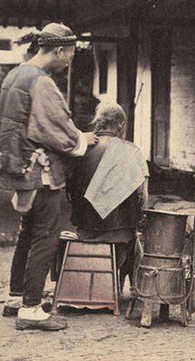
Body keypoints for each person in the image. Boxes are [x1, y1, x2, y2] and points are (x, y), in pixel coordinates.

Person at [0, 23, 97, 331]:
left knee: (27, 233)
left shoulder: (17, 74)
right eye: (70, 54)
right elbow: (55, 129)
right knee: (46, 236)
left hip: (21, 167)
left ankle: (17, 296)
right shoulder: (42, 83)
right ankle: (31, 308)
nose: (70, 61)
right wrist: (82, 140)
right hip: (41, 171)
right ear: (58, 50)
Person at [67, 102, 148, 292]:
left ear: (99, 122)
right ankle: (132, 286)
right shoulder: (132, 151)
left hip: (85, 229)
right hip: (120, 234)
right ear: (120, 124)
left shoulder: (82, 148)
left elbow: (70, 190)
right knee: (134, 243)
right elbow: (143, 195)